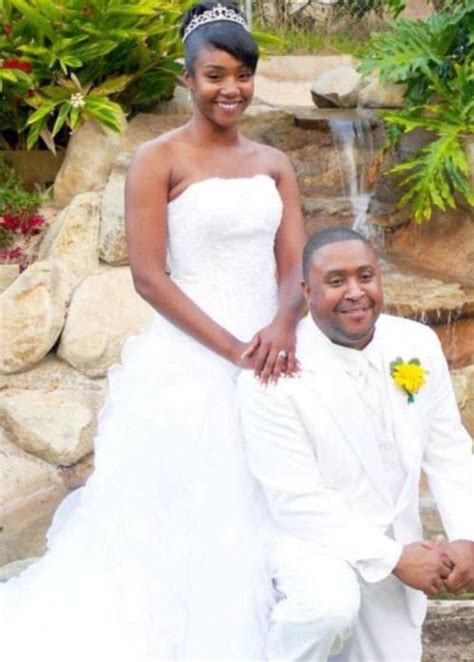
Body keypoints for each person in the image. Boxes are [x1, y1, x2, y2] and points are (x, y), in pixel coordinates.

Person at [0, 3, 306, 659]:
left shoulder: (275, 163)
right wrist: (235, 351)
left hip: (276, 350)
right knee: (192, 495)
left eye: (244, 75)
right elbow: (149, 277)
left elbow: (294, 266)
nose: (232, 89)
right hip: (194, 354)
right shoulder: (156, 160)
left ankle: (289, 616)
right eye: (216, 74)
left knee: (280, 488)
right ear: (189, 78)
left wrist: (282, 323)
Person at [238, 227, 474, 662]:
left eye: (365, 276)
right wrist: (392, 557)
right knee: (328, 608)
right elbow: (295, 501)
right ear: (306, 290)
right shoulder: (270, 375)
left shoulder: (416, 343)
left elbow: (449, 451)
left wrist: (466, 537)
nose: (355, 292)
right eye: (336, 281)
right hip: (310, 543)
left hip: (399, 542)